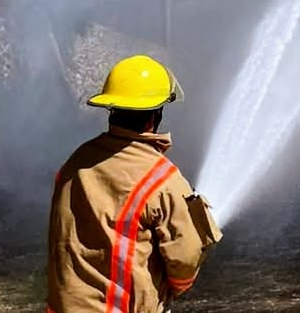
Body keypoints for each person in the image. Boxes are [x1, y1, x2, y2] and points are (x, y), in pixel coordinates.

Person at [46, 54, 221, 313]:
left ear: (112, 111)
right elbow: (183, 264)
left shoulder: (76, 163)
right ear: (154, 117)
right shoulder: (162, 179)